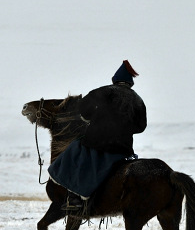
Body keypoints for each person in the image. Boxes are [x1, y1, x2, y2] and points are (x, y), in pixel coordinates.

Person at [48, 60, 147, 212]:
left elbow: (83, 108)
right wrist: (124, 128)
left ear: (115, 79)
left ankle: (74, 198)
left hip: (97, 140)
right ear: (130, 82)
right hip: (123, 147)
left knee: (75, 151)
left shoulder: (103, 91)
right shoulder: (138, 100)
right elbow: (141, 126)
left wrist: (91, 118)